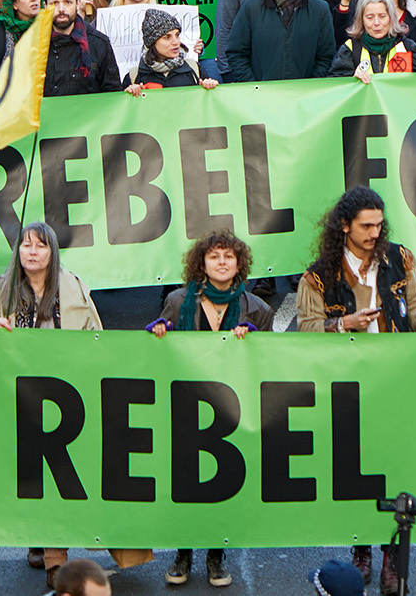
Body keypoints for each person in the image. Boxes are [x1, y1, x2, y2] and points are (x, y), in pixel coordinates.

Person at [294, 186, 416, 593]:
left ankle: (391, 555)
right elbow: (305, 330)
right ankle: (361, 547)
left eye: (379, 224)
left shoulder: (401, 258)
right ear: (344, 226)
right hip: (348, 385)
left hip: (397, 379)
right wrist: (344, 325)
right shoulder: (317, 276)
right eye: (366, 226)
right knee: (356, 469)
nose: (375, 232)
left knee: (397, 464)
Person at [145, 229, 266, 588]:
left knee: (220, 482)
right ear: (202, 263)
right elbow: (152, 349)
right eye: (215, 256)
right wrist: (158, 335)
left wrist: (254, 343)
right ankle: (183, 553)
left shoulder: (257, 308)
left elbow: (272, 365)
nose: (222, 262)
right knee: (184, 479)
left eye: (229, 256)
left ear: (240, 263)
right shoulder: (177, 300)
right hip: (185, 406)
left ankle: (216, 555)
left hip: (231, 411)